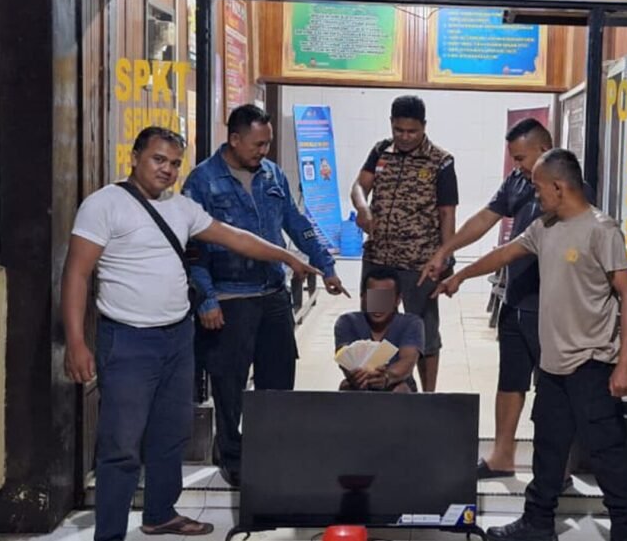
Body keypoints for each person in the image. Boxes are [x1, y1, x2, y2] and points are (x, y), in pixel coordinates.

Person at [62, 127, 320, 541]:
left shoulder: (180, 207)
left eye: (174, 163)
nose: (167, 170)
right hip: (128, 340)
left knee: (171, 433)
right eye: (158, 159)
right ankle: (109, 534)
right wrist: (76, 342)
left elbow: (235, 238)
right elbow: (76, 274)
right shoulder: (103, 205)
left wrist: (288, 257)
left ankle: (160, 513)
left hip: (178, 337)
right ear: (135, 158)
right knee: (121, 444)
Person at [434, 149, 627, 541]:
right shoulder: (544, 226)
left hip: (592, 362)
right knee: (548, 446)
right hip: (553, 364)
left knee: (607, 449)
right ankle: (537, 522)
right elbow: (503, 254)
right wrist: (460, 275)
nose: (535, 194)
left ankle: (623, 525)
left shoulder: (602, 230)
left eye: (538, 187)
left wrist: (626, 362)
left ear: (559, 187)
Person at [183, 104, 349, 487]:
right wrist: (206, 299)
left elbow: (296, 222)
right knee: (230, 386)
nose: (264, 151)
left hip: (273, 293)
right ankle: (232, 457)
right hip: (229, 298)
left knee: (278, 380)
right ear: (234, 139)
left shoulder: (272, 174)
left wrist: (325, 264)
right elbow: (192, 249)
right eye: (257, 144)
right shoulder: (203, 181)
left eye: (268, 144)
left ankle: (272, 452)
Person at [421, 118, 556, 479]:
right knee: (510, 381)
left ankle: (556, 467)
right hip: (516, 301)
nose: (517, 165)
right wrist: (446, 250)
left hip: (551, 310)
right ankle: (502, 456)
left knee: (553, 390)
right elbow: (486, 217)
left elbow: (513, 249)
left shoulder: (565, 187)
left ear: (544, 150)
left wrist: (462, 274)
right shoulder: (518, 181)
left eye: (521, 158)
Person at [351, 95, 458, 393]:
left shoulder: (441, 161)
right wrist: (363, 207)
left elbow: (447, 213)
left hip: (419, 265)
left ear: (424, 126)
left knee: (423, 331)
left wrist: (446, 256)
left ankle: (428, 395)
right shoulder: (381, 151)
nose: (405, 137)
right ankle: (379, 386)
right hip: (380, 262)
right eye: (399, 130)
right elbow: (359, 186)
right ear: (391, 124)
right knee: (378, 324)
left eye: (412, 131)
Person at [334, 269, 423, 393]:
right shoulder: (347, 322)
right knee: (346, 387)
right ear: (363, 298)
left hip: (396, 384)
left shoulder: (411, 323)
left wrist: (386, 377)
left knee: (400, 389)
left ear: (397, 300)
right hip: (358, 385)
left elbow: (408, 360)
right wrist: (356, 376)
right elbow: (344, 356)